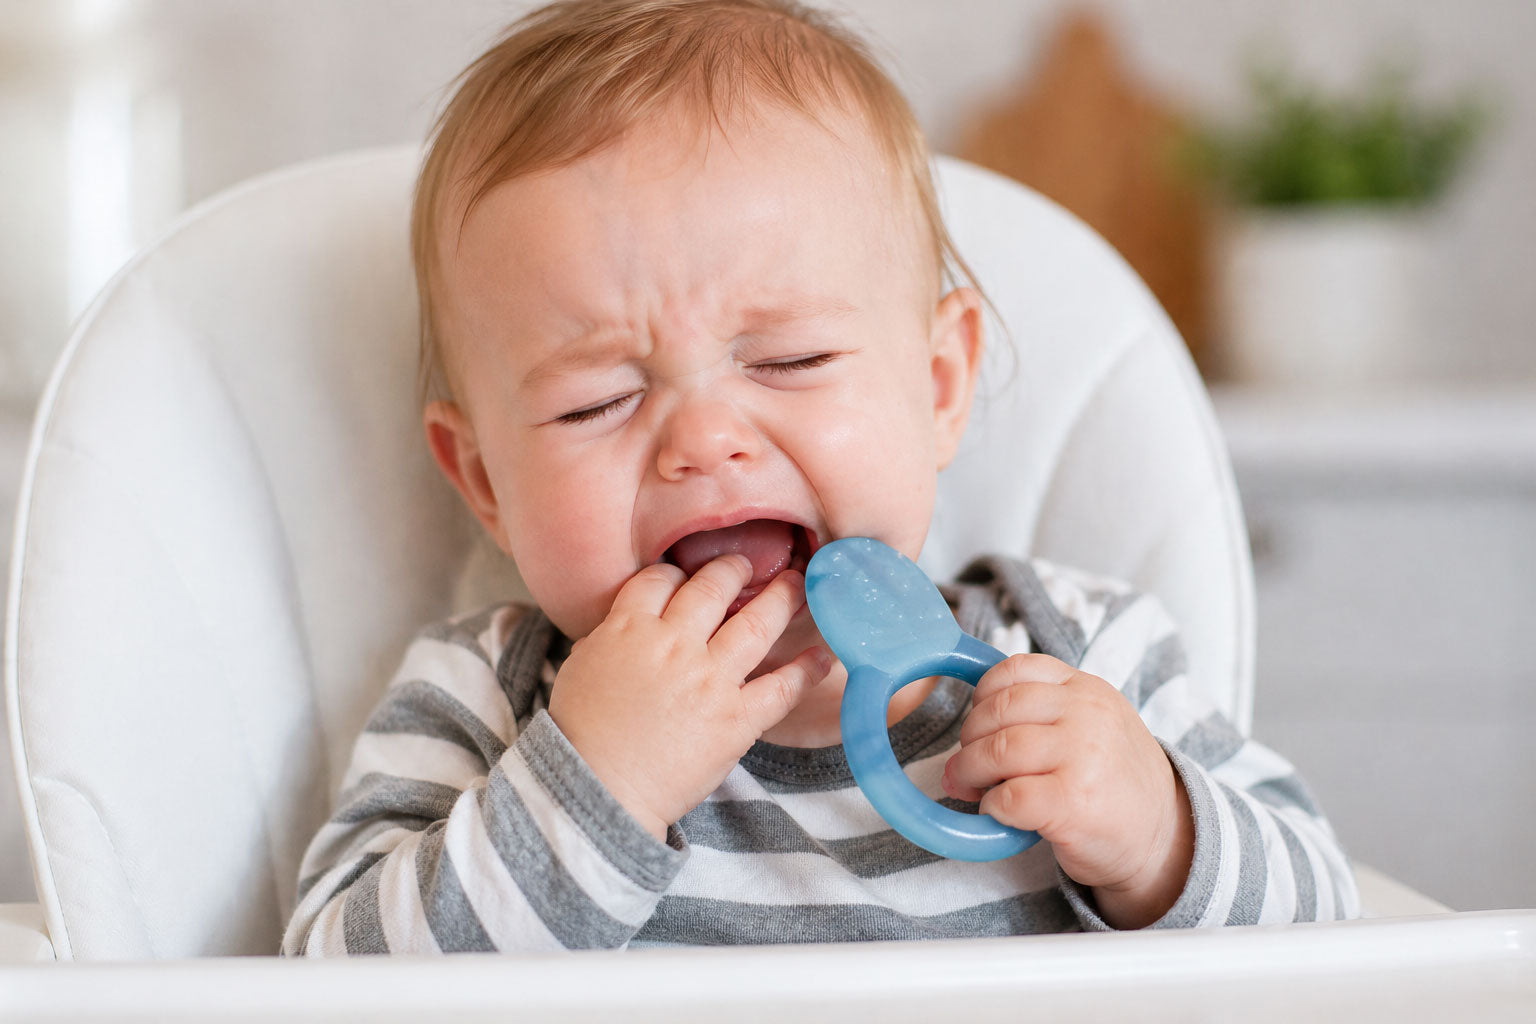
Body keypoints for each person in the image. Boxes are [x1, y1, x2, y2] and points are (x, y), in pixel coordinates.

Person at [282, 0, 1357, 955]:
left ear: (938, 388)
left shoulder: (1082, 651)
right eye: (596, 401)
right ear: (482, 479)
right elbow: (329, 982)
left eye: (789, 361)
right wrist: (594, 781)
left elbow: (1331, 927)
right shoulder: (489, 700)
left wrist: (1155, 830)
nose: (703, 442)